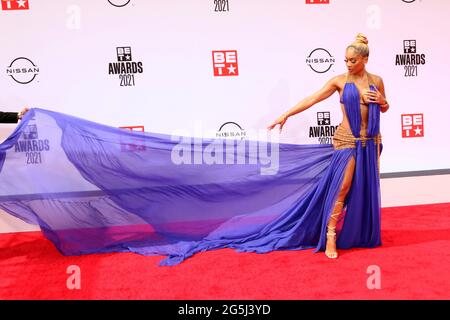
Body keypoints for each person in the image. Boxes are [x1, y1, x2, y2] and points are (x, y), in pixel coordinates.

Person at [268, 33, 389, 259]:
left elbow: (385, 107)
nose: (348, 64)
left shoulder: (377, 81)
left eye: (353, 60)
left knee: (364, 188)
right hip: (346, 140)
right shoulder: (339, 81)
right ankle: (330, 234)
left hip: (371, 141)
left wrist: (383, 101)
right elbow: (312, 99)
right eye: (346, 60)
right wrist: (286, 114)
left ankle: (359, 231)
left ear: (365, 60)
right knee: (343, 187)